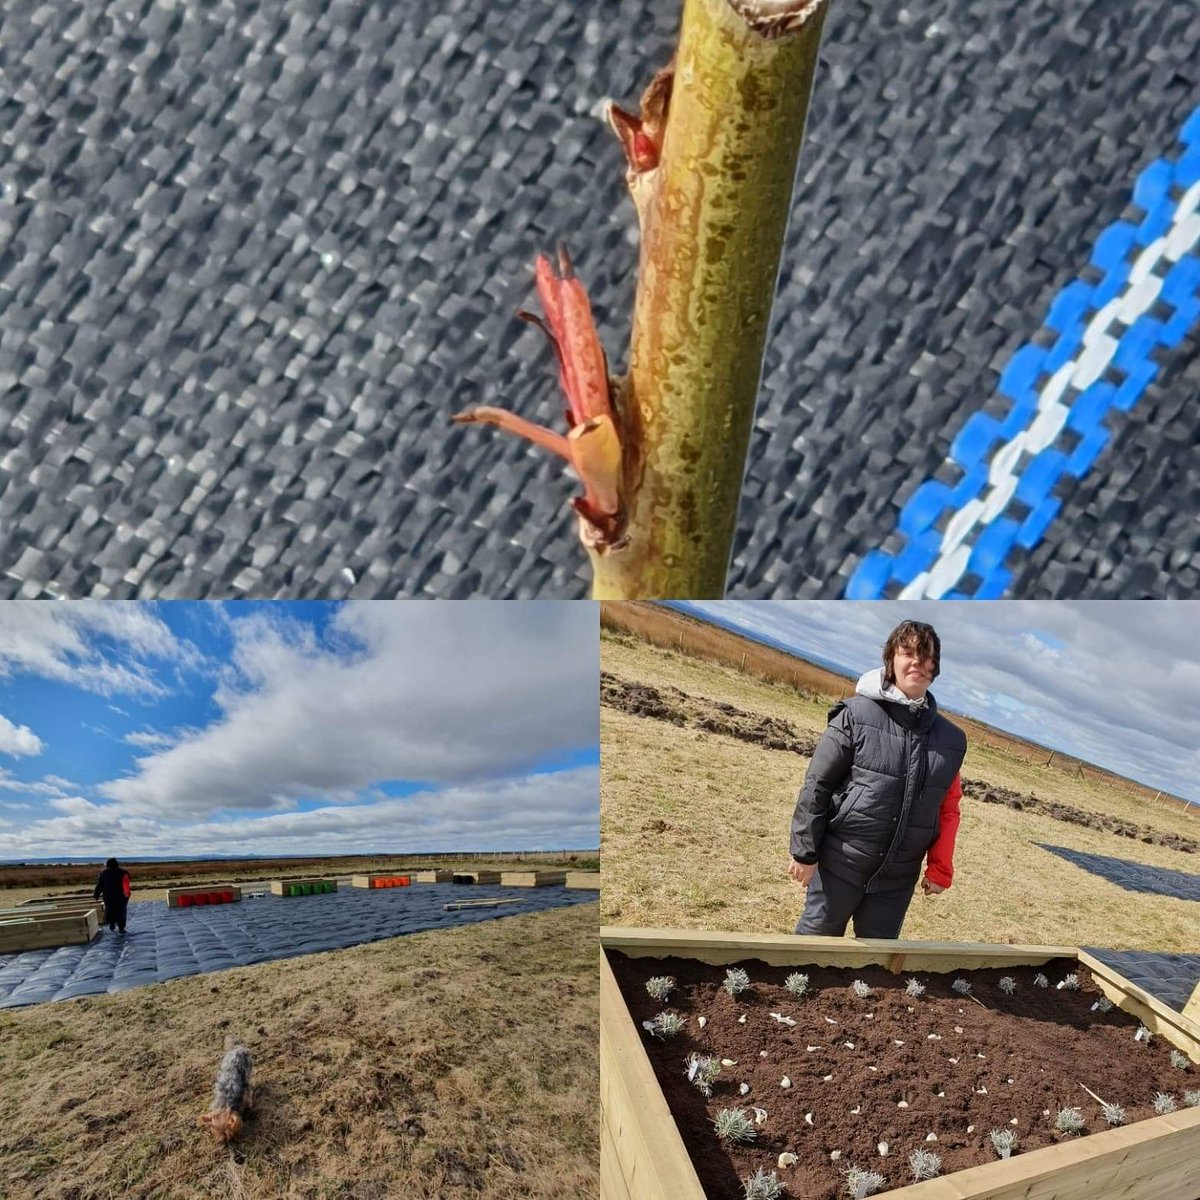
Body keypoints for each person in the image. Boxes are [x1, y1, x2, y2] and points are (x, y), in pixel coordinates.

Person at [788, 620, 967, 939]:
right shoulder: (855, 716)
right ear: (891, 659)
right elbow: (818, 783)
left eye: (927, 657)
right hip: (839, 866)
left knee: (874, 970)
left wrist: (940, 868)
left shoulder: (951, 741)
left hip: (897, 882)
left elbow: (947, 809)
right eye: (908, 652)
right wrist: (804, 851)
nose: (918, 662)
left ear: (935, 668)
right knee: (810, 956)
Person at [94, 857, 132, 934]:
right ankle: (121, 928)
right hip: (121, 896)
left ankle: (112, 924)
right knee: (121, 912)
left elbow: (100, 885)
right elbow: (126, 884)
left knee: (110, 910)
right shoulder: (123, 872)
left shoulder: (104, 873)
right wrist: (127, 893)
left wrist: (96, 894)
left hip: (108, 896)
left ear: (107, 865)